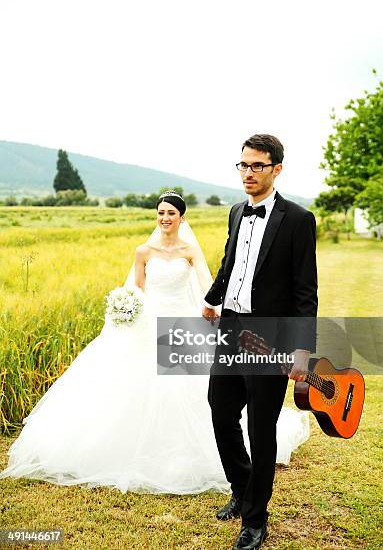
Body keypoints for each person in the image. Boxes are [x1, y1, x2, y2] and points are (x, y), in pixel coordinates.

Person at [0, 190, 309, 497]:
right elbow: (137, 289)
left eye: (170, 214)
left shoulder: (190, 250)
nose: (164, 218)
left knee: (193, 394)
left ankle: (207, 464)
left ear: (181, 218)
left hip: (179, 324)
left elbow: (208, 282)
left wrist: (212, 307)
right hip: (148, 325)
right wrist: (126, 306)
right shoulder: (143, 251)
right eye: (160, 213)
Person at [203, 135, 318, 550]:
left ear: (276, 169)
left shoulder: (299, 220)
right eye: (243, 165)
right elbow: (230, 262)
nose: (248, 173)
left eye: (257, 166)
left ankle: (255, 518)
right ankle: (242, 485)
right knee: (220, 408)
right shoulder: (236, 212)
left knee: (261, 426)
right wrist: (212, 299)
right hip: (231, 328)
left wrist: (302, 349)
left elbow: (306, 291)